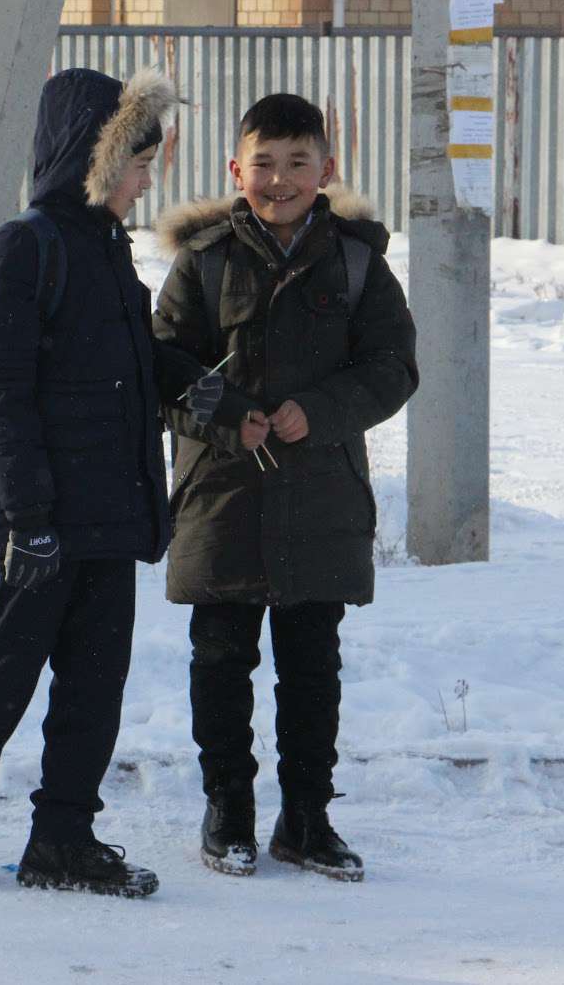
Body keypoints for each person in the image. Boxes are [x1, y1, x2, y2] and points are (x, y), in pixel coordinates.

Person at [0, 68, 238, 899]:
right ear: (93, 158)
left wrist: (181, 377)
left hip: (109, 510)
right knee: (5, 676)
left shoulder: (102, 246)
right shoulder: (25, 247)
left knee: (93, 687)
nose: (147, 176)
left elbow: (117, 362)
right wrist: (27, 515)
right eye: (136, 158)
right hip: (40, 517)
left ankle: (62, 836)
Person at [152, 93, 418, 883]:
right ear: (236, 171)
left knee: (311, 665)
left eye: (297, 162)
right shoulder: (200, 261)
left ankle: (307, 817)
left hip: (320, 494)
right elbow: (160, 368)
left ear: (326, 171)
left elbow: (393, 367)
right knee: (220, 658)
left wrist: (321, 411)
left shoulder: (358, 262)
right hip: (222, 493)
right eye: (262, 163)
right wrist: (229, 414)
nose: (279, 179)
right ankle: (226, 806)